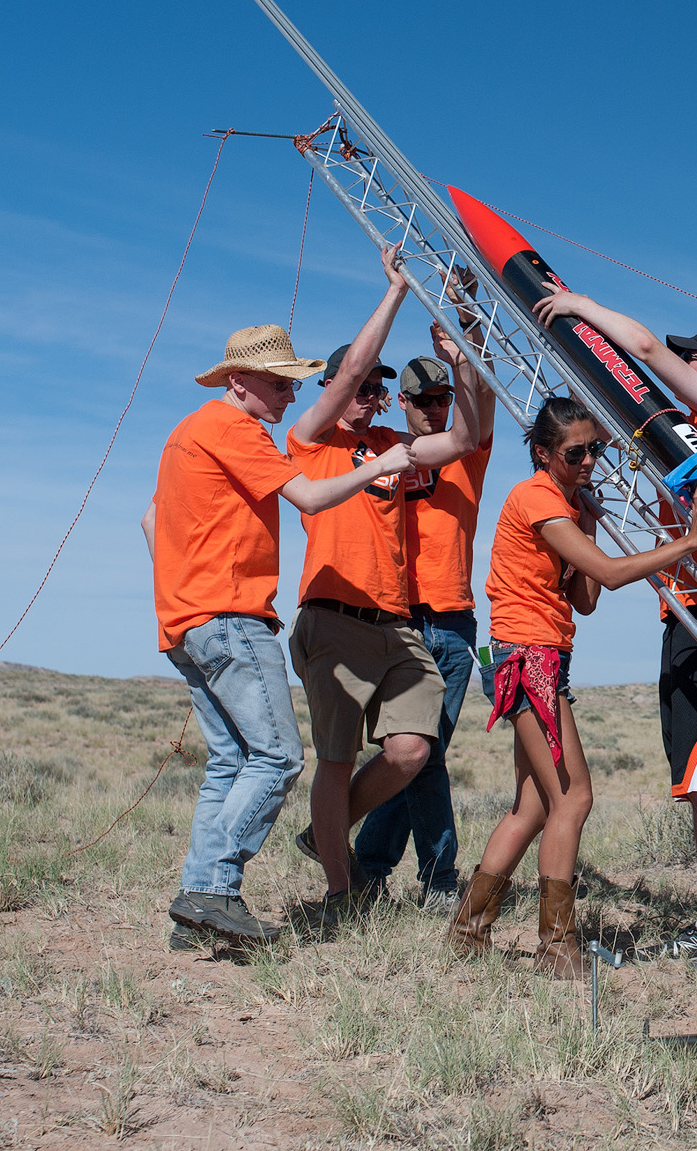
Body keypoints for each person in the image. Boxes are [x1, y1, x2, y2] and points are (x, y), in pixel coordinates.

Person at [530, 287, 697, 977]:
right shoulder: (688, 441)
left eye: (692, 362)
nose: (673, 369)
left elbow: (640, 348)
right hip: (691, 613)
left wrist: (579, 303)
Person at [144, 324, 417, 947]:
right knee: (278, 758)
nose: (290, 396)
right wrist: (383, 462)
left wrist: (180, 590)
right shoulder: (233, 430)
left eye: (293, 383)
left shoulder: (187, 433)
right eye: (279, 383)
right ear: (238, 382)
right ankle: (212, 890)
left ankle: (196, 910)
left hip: (188, 619)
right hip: (231, 616)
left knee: (231, 763)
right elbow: (313, 498)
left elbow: (151, 518)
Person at [449, 397, 697, 978]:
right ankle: (555, 947)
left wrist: (589, 522)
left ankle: (468, 932)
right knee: (573, 799)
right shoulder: (538, 499)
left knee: (532, 806)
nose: (591, 461)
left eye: (596, 449)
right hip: (529, 658)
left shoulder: (564, 506)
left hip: (536, 655)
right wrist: (690, 543)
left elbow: (586, 601)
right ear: (544, 454)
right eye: (577, 453)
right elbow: (612, 576)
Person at [287, 247, 479, 916]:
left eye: (377, 389)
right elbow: (343, 382)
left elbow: (462, 441)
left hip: (396, 626)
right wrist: (396, 292)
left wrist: (461, 362)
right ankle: (342, 893)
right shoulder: (310, 440)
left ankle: (329, 835)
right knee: (336, 759)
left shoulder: (390, 445)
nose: (368, 396)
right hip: (335, 616)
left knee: (412, 749)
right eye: (361, 386)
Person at [351, 328, 497, 909]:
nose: (438, 409)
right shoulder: (387, 452)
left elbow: (479, 400)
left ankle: (386, 868)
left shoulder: (469, 449)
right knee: (409, 753)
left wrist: (465, 346)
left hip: (454, 623)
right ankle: (422, 874)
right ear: (403, 404)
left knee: (424, 751)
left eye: (443, 398)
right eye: (426, 400)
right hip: (397, 621)